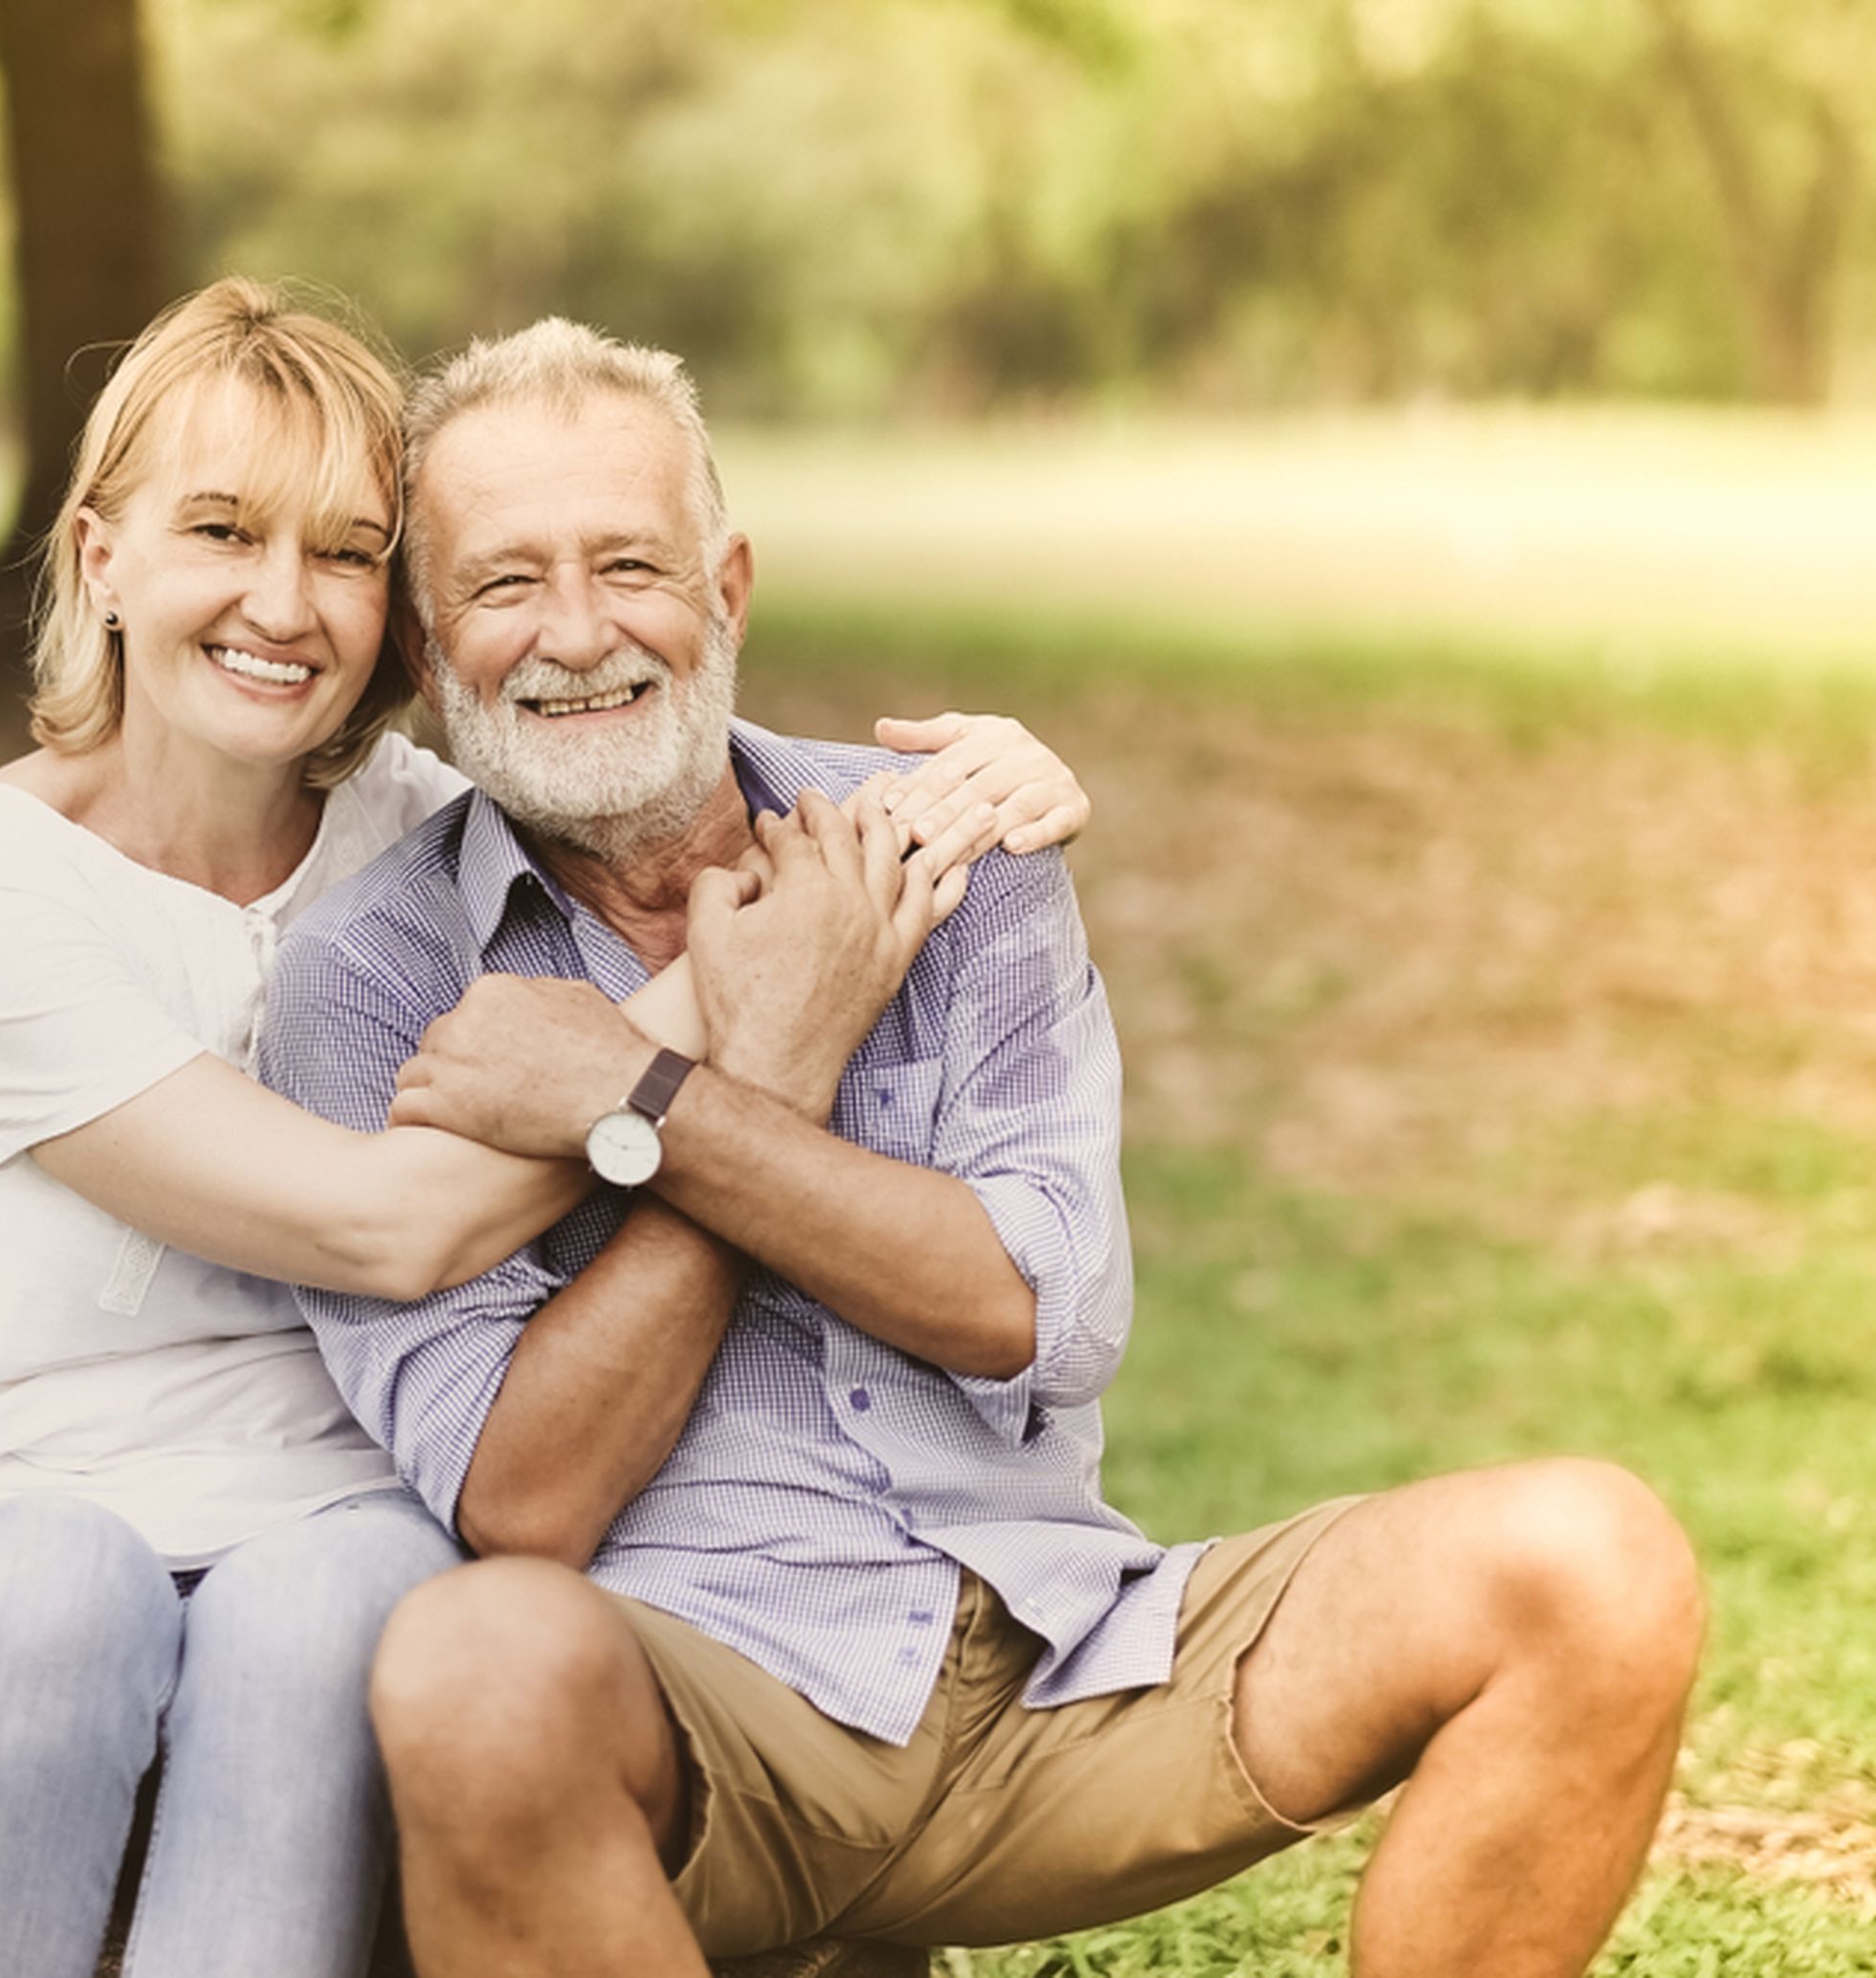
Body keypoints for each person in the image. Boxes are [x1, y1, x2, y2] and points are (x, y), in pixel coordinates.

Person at [262, 316, 1710, 1978]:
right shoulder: (371, 986)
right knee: (472, 1662)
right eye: (506, 585)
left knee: (1594, 1561)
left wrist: (667, 1105)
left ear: (726, 591)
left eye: (630, 564)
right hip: (705, 1712)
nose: (579, 633)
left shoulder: (953, 839)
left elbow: (1041, 1305)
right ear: (430, 653)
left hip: (1058, 1662)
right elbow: (526, 1499)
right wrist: (784, 1053)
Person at [0, 276, 1094, 1978]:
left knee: (340, 1589)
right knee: (66, 1582)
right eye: (220, 529)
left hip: (327, 1546)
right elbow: (381, 1224)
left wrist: (955, 796)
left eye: (342, 549)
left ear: (395, 610)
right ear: (100, 556)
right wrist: (750, 995)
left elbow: (670, 772)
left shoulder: (425, 834)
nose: (283, 600)